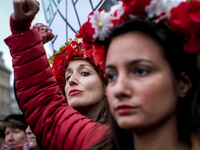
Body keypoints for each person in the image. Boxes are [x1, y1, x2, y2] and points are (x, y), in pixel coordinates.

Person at [5, 0, 200, 150]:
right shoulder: (98, 142)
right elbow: (46, 109)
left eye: (140, 71)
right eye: (113, 76)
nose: (119, 89)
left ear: (183, 83)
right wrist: (22, 32)